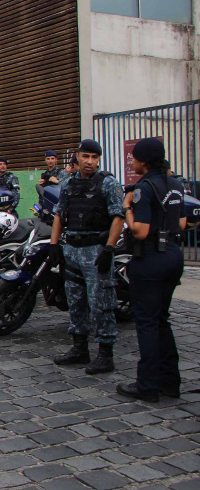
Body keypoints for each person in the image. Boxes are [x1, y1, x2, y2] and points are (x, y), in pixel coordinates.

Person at [116, 138, 186, 402]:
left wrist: (127, 208)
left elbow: (140, 231)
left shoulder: (143, 188)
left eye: (134, 157)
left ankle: (147, 385)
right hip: (173, 255)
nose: (132, 160)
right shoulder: (176, 185)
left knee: (146, 322)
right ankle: (171, 382)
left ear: (142, 161)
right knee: (161, 320)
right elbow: (181, 223)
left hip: (150, 259)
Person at [49, 139, 124, 375]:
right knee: (75, 300)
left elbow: (118, 217)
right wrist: (54, 245)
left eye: (94, 157)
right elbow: (60, 215)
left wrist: (110, 248)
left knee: (101, 303)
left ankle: (105, 355)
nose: (90, 161)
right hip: (72, 248)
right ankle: (80, 348)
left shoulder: (108, 183)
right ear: (77, 157)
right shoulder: (69, 183)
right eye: (86, 156)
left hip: (96, 251)